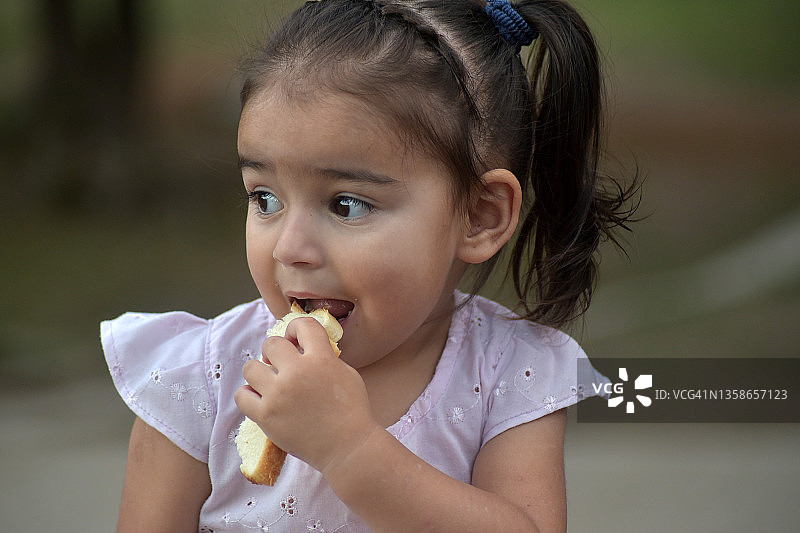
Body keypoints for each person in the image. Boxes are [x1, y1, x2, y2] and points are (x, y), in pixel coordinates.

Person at [102, 0, 638, 531]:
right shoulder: (203, 377)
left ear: (479, 215)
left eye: (346, 205)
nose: (289, 248)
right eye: (265, 198)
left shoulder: (507, 373)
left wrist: (350, 449)